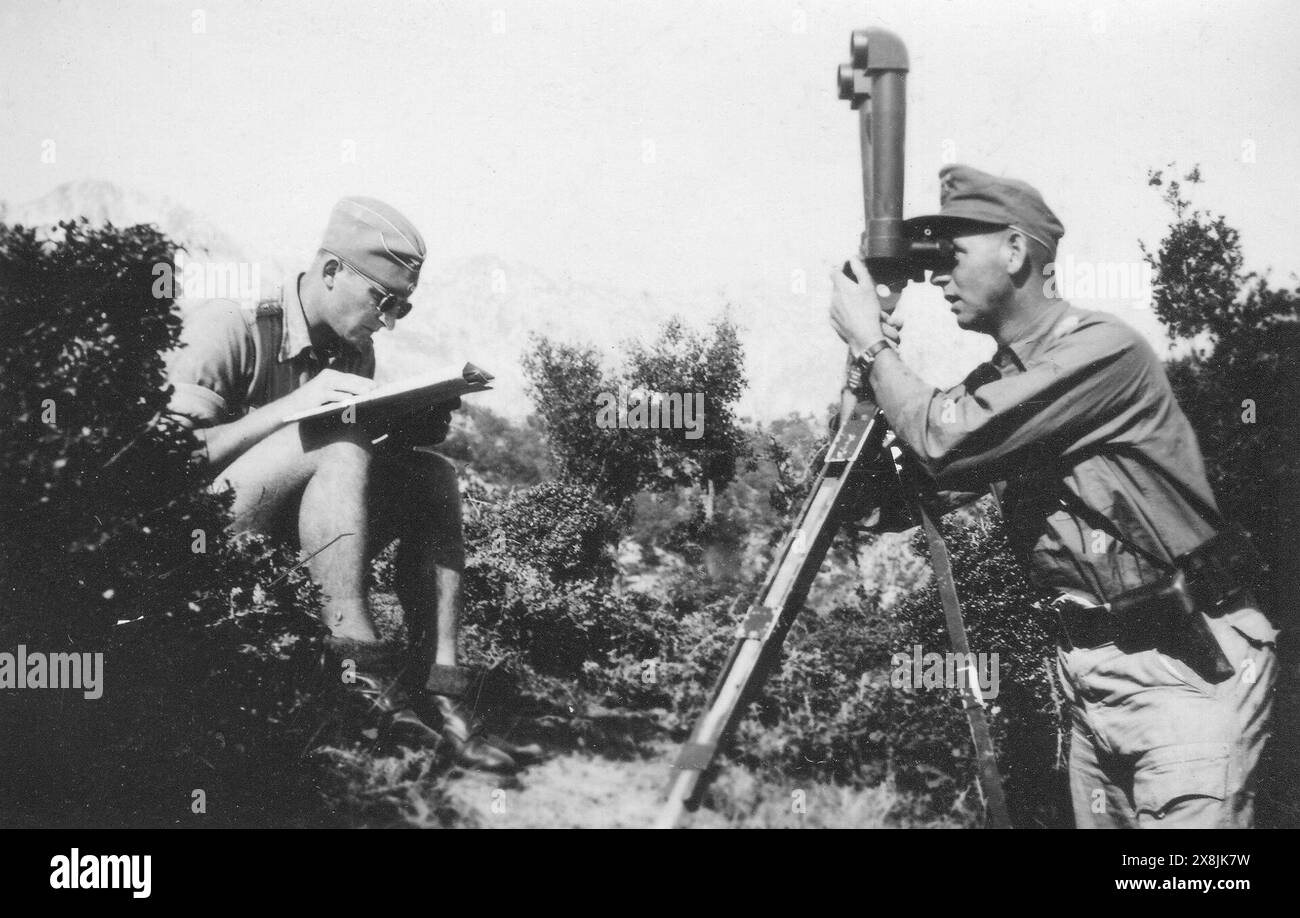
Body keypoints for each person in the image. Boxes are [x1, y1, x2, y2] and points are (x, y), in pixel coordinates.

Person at [828, 164, 1278, 828]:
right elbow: (880, 504)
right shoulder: (1012, 379)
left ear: (1014, 251)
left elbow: (945, 442)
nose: (939, 278)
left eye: (951, 256)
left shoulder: (1103, 354)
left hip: (1186, 670)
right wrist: (863, 370)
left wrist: (871, 345)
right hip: (1091, 679)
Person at [165, 196, 527, 773]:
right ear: (331, 271)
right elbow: (169, 461)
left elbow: (339, 474)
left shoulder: (355, 350)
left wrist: (408, 427)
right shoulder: (231, 325)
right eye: (382, 300)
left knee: (432, 476)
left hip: (291, 528)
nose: (386, 320)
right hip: (202, 540)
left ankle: (443, 686)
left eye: (401, 309)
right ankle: (358, 665)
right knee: (337, 439)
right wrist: (291, 409)